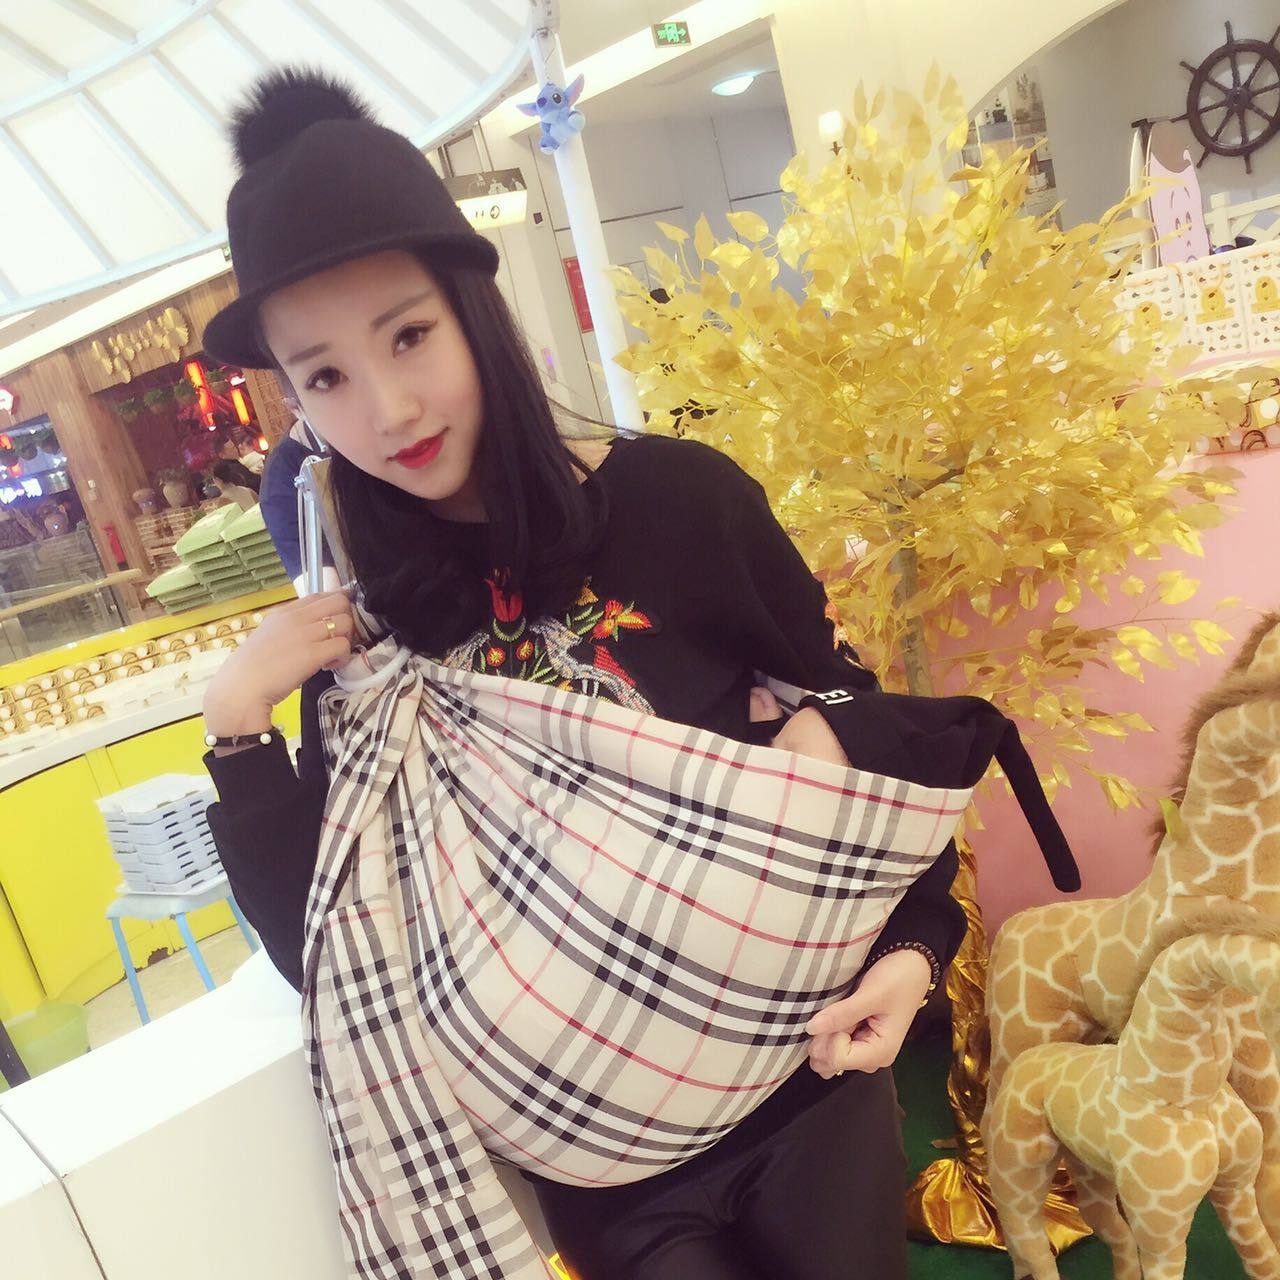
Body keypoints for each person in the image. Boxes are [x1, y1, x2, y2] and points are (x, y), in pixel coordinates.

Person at [199, 67, 962, 1280]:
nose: (386, 407)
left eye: (408, 335)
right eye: (325, 375)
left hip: (805, 1087)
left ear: (474, 312)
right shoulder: (366, 643)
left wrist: (915, 950)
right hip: (605, 1169)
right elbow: (335, 957)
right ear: (290, 402)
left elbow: (869, 748)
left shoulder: (679, 504)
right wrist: (239, 730)